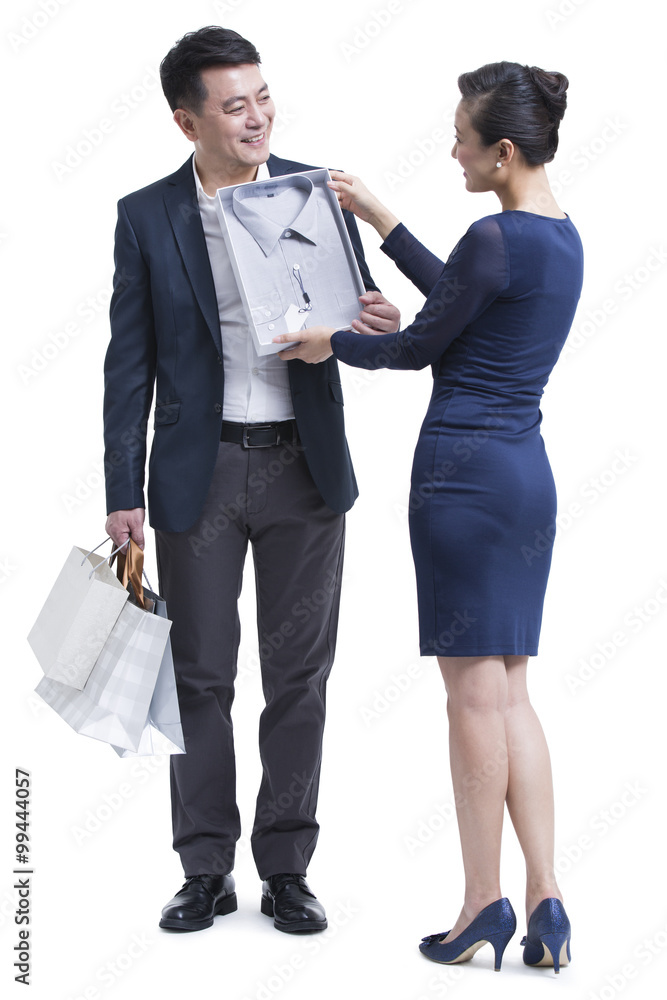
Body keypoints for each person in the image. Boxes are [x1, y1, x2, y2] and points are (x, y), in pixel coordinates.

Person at [273, 61, 583, 972]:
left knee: (468, 701)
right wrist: (382, 219)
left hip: (460, 478)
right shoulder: (560, 237)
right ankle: (545, 897)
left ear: (504, 151)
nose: (452, 148)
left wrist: (334, 343)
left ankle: (480, 904)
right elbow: (465, 303)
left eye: (461, 137)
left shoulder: (496, 237)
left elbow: (418, 344)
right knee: (512, 694)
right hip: (525, 477)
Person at [102, 25, 399, 935]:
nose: (257, 117)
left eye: (263, 97)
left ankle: (287, 867)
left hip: (303, 469)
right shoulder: (147, 215)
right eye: (234, 106)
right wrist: (124, 492)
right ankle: (204, 869)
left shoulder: (313, 193)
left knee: (300, 676)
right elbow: (128, 363)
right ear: (185, 121)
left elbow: (351, 322)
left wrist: (373, 324)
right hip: (197, 474)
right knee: (198, 678)